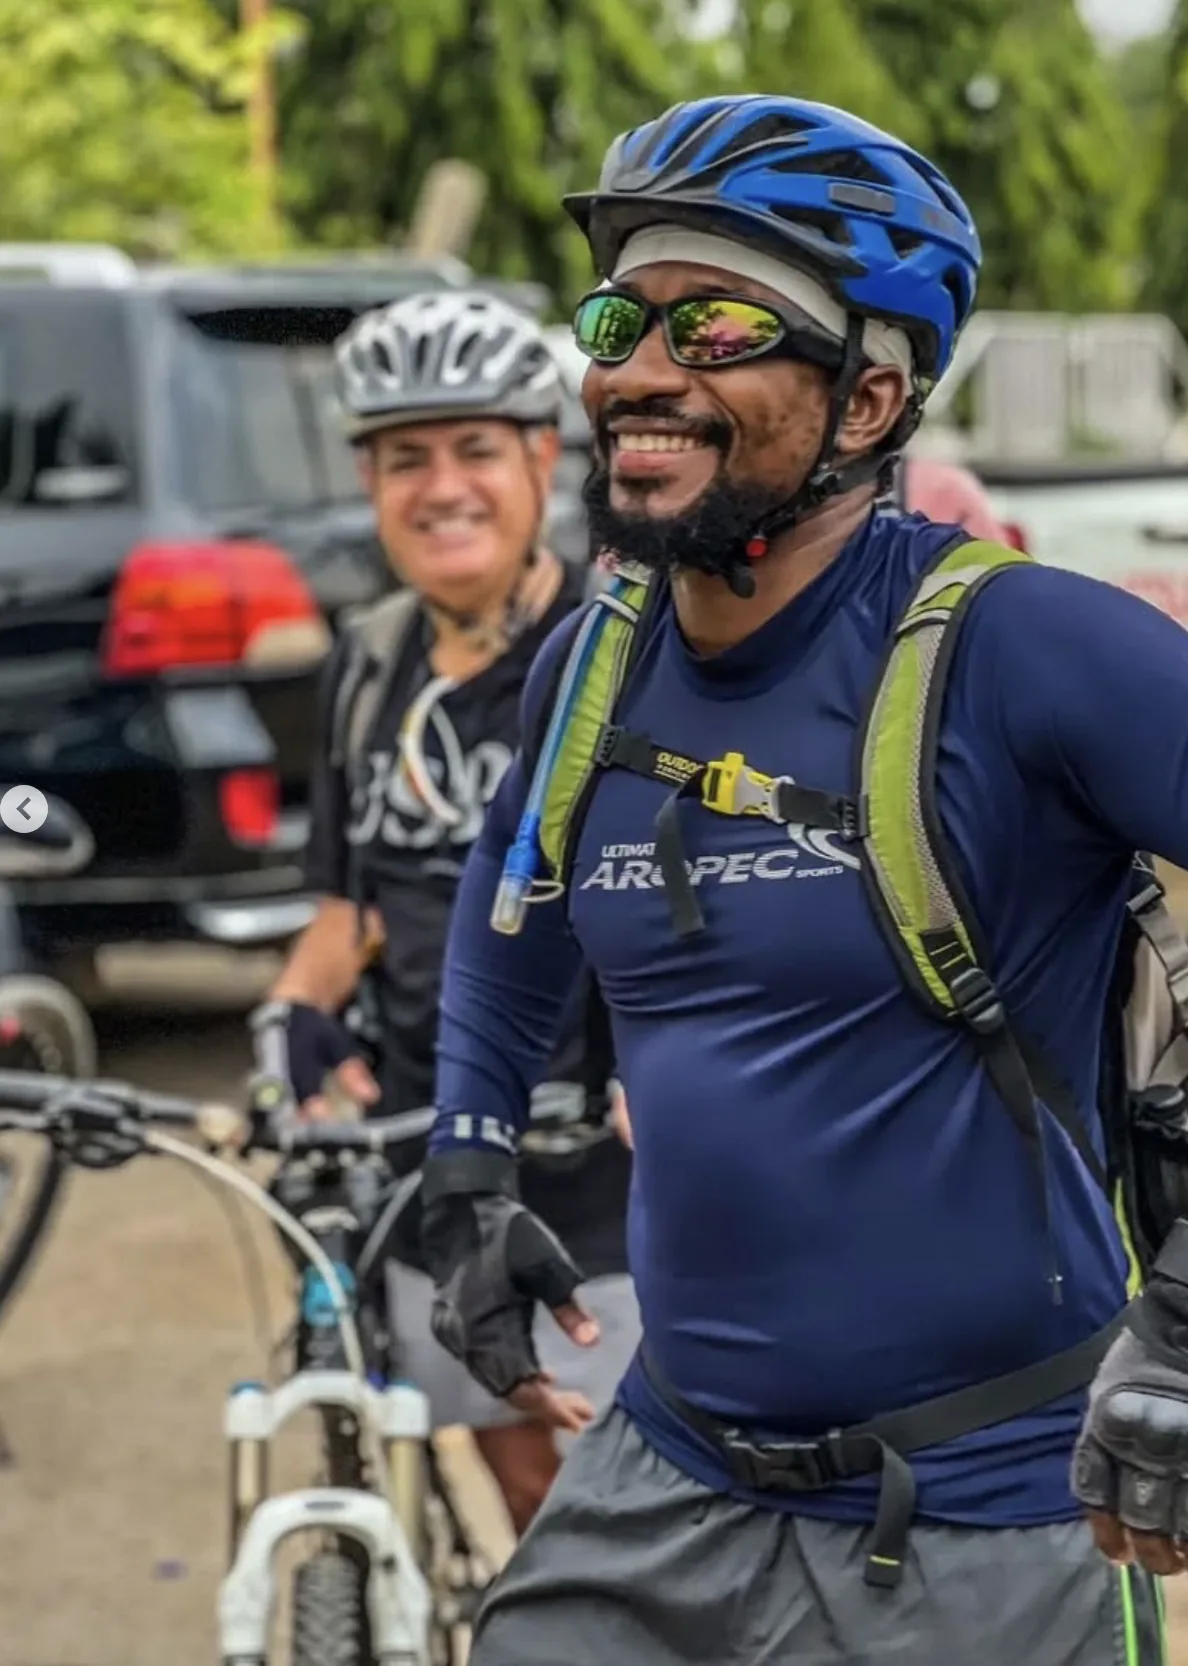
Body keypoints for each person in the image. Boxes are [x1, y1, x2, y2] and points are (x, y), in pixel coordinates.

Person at [418, 96, 1188, 1666]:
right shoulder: (593, 663)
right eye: (621, 317)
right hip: (659, 1482)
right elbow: (511, 889)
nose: (637, 371)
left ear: (872, 394)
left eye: (719, 324)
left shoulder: (1027, 648)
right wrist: (472, 1168)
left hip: (986, 1524)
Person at [248, 289, 637, 1537]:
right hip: (423, 1173)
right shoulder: (367, 664)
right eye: (406, 457)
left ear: (540, 457)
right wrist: (294, 1019)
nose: (442, 487)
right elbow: (345, 914)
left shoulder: (618, 651)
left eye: (475, 448)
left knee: (612, 1526)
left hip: (605, 1187)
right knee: (514, 1480)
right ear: (368, 479)